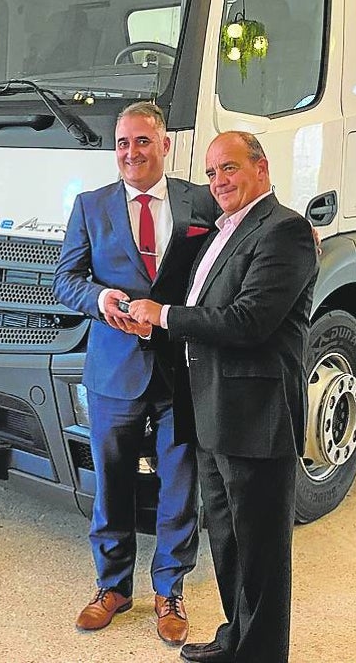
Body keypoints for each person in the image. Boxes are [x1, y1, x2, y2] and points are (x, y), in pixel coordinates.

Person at [128, 131, 318, 663]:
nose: (219, 182)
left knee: (261, 551)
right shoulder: (224, 230)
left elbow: (250, 321)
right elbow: (203, 305)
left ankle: (260, 654)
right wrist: (153, 322)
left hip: (255, 415)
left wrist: (162, 316)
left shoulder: (286, 231)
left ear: (261, 167)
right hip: (212, 409)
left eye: (229, 169)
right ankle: (236, 638)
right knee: (230, 543)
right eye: (212, 173)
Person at [54, 101, 219, 646]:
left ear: (164, 144)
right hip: (113, 370)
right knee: (112, 482)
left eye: (142, 141)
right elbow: (66, 280)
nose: (131, 153)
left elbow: (235, 247)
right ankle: (113, 587)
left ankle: (170, 590)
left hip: (182, 368)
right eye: (122, 143)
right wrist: (100, 297)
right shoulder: (89, 206)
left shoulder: (200, 200)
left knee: (180, 483)